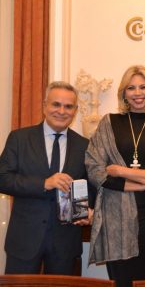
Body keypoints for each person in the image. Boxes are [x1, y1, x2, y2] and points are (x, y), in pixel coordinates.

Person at [85, 65, 145, 287]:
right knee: (121, 281)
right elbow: (95, 170)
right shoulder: (109, 122)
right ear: (123, 93)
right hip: (115, 215)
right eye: (131, 88)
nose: (138, 93)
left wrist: (121, 171)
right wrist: (144, 181)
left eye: (143, 87)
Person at [0, 81, 95, 275]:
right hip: (25, 240)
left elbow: (92, 187)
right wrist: (44, 183)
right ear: (44, 106)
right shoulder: (19, 138)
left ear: (75, 110)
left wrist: (91, 210)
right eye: (56, 104)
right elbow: (3, 178)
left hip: (65, 242)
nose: (62, 111)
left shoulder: (85, 145)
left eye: (68, 106)